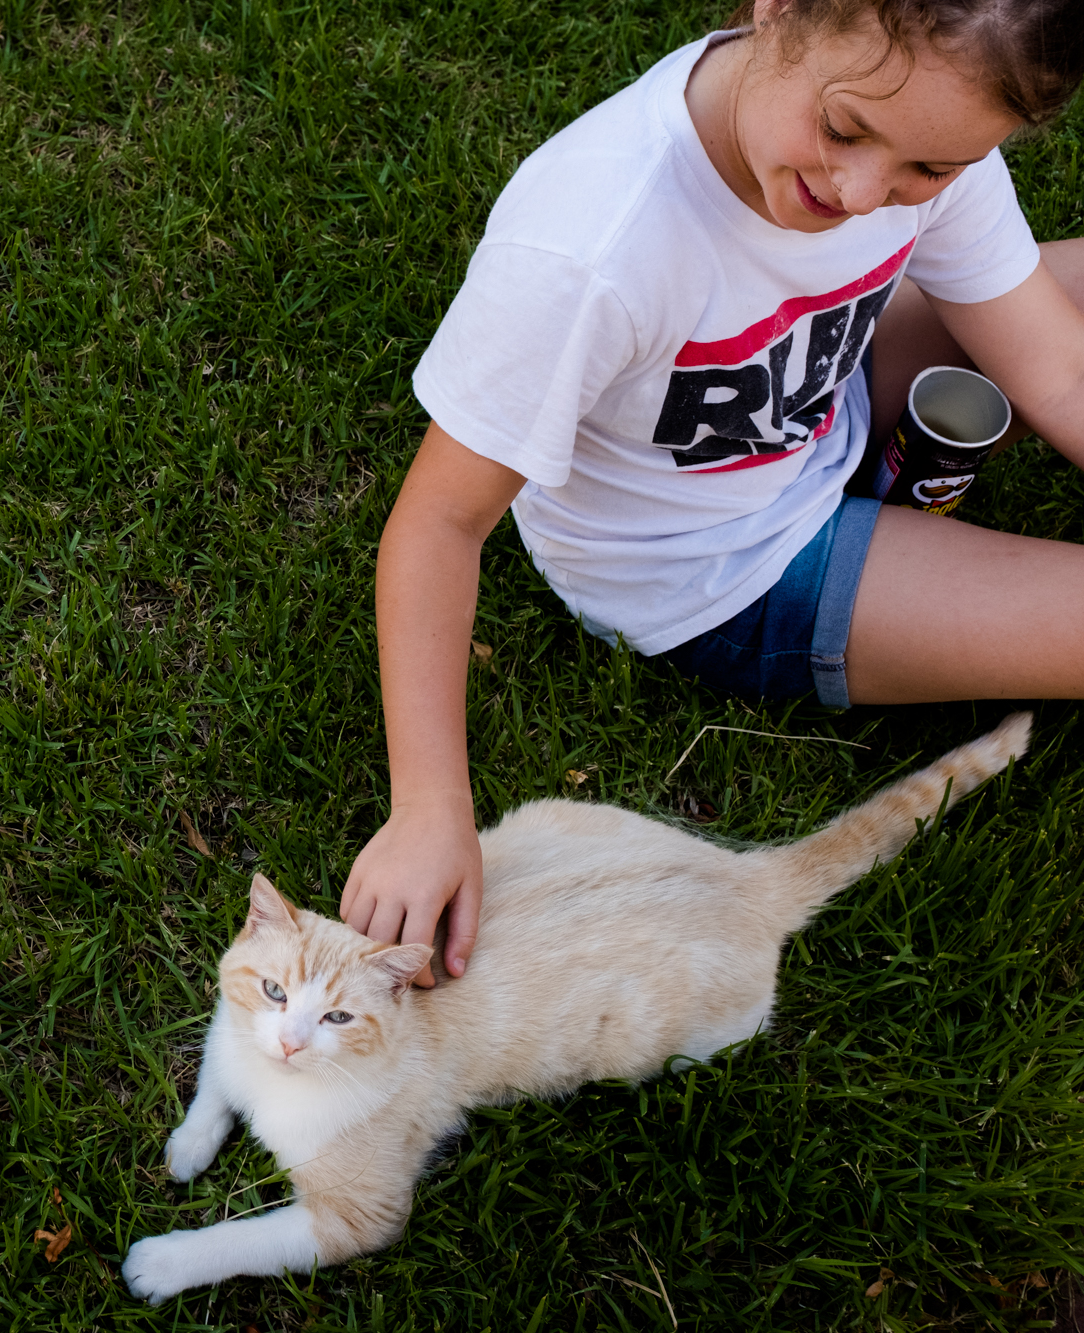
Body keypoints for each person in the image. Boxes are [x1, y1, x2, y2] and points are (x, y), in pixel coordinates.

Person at [341, 0, 1084, 985]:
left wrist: (915, 170)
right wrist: (427, 807)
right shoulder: (591, 247)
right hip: (720, 568)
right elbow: (438, 521)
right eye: (842, 129)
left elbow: (1055, 372)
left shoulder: (924, 121)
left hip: (823, 387)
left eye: (926, 172)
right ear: (775, 10)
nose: (863, 191)